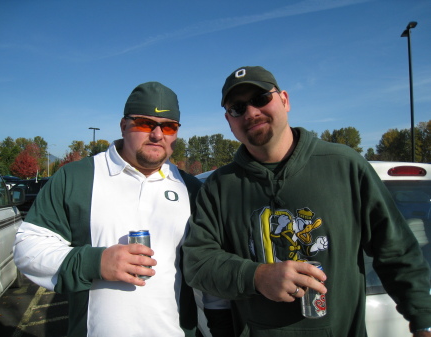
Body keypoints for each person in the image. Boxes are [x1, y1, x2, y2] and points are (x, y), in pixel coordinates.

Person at [182, 66, 431, 336]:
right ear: (229, 121)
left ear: (285, 100)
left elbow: (396, 252)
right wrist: (257, 276)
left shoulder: (344, 166)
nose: (251, 112)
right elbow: (198, 263)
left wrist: (423, 320)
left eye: (261, 98)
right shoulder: (219, 186)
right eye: (237, 108)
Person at [13, 82, 211, 337]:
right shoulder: (77, 177)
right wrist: (96, 262)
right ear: (123, 125)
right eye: (144, 123)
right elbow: (27, 248)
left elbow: (207, 274)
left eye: (169, 126)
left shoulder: (192, 189)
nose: (157, 135)